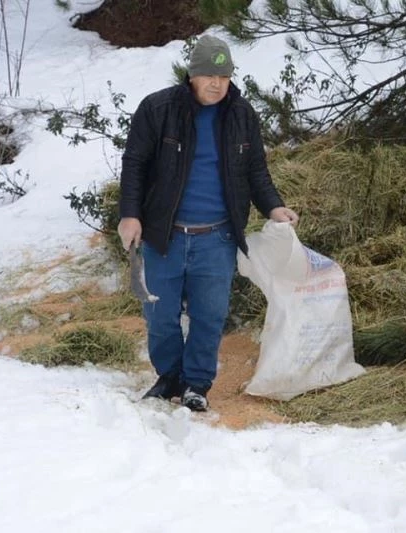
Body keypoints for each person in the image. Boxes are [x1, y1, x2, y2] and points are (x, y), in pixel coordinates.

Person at [117, 35, 299, 411]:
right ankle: (169, 376)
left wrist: (274, 207)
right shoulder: (158, 109)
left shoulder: (241, 114)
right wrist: (130, 214)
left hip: (216, 236)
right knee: (160, 314)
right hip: (163, 235)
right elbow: (134, 163)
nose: (217, 84)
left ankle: (197, 384)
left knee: (209, 315)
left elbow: (255, 171)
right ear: (191, 75)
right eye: (208, 75)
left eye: (224, 75)